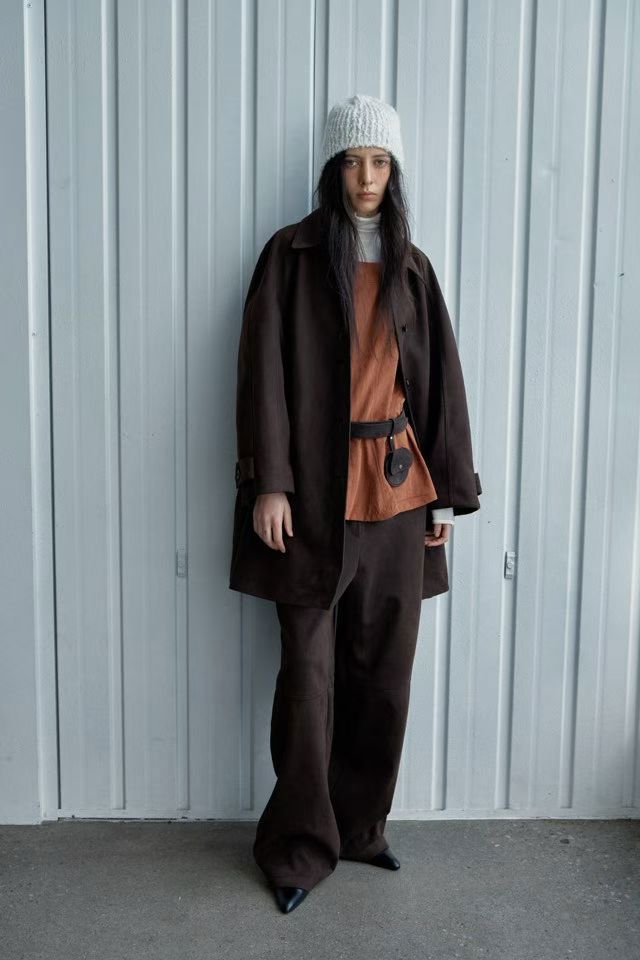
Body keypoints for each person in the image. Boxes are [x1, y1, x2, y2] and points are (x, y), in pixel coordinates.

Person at [229, 93, 482, 914]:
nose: (366, 177)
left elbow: (439, 385)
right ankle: (299, 849)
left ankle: (361, 829)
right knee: (309, 677)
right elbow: (262, 373)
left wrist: (448, 495)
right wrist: (270, 482)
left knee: (384, 673)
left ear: (393, 171)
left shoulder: (413, 266)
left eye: (379, 162)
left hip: (400, 494)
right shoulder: (291, 255)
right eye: (351, 161)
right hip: (309, 501)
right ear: (332, 169)